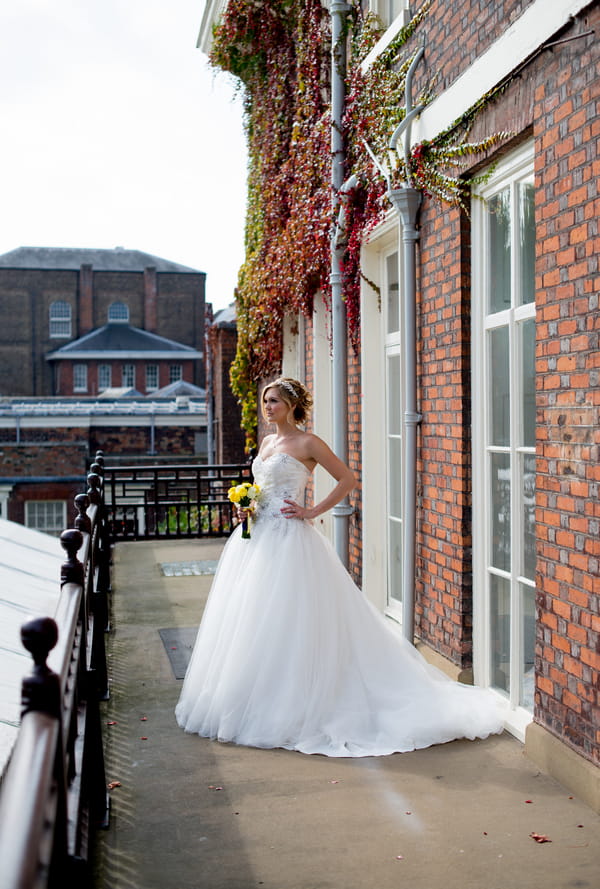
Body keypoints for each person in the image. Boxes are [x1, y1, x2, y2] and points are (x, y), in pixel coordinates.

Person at [175, 377, 504, 756]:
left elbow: (347, 479)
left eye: (275, 402)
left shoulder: (308, 443)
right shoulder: (267, 443)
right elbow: (262, 485)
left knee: (291, 618)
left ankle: (300, 704)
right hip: (256, 539)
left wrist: (312, 510)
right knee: (251, 618)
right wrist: (247, 504)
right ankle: (256, 696)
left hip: (290, 541)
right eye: (265, 401)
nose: (268, 408)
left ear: (292, 406)